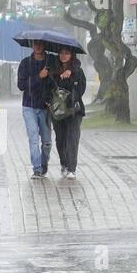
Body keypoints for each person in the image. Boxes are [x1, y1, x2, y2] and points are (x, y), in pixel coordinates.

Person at [18, 40, 74, 179]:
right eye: (35, 44)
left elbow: (71, 61)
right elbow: (21, 85)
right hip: (29, 106)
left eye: (40, 44)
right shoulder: (25, 63)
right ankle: (37, 169)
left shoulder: (51, 60)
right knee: (33, 139)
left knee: (47, 142)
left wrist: (69, 69)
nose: (37, 46)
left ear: (45, 46)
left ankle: (43, 164)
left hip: (46, 107)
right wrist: (39, 77)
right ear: (32, 45)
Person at [49, 47, 86, 180]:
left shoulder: (77, 71)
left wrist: (72, 72)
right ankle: (64, 163)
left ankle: (72, 168)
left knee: (72, 138)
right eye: (61, 53)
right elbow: (48, 88)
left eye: (67, 53)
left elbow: (81, 89)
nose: (64, 56)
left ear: (72, 55)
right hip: (58, 111)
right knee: (60, 139)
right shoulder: (53, 70)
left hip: (74, 110)